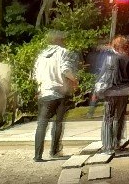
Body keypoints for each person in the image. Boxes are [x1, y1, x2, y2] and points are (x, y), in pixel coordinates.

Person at [32, 31, 78, 162]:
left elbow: (35, 75)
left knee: (42, 124)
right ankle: (54, 150)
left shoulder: (41, 55)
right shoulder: (63, 52)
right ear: (60, 40)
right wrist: (74, 80)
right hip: (59, 92)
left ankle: (37, 155)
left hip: (44, 92)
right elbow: (65, 69)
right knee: (58, 123)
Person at [99, 35, 129, 155]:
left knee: (108, 118)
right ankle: (116, 143)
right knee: (119, 118)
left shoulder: (111, 58)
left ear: (115, 46)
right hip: (124, 91)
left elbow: (106, 75)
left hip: (111, 91)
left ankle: (107, 146)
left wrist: (99, 89)